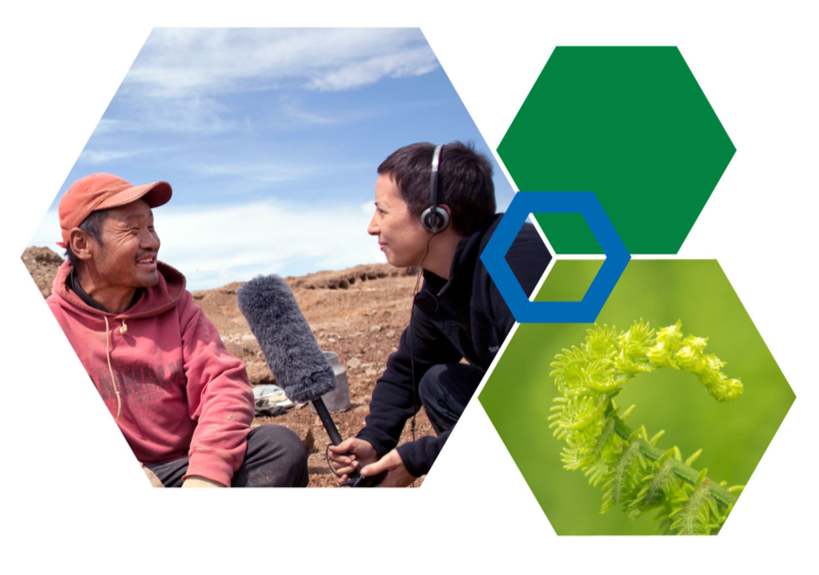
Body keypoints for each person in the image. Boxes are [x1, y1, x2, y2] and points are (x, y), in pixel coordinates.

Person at [47, 173, 308, 488]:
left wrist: (206, 473)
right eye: (133, 229)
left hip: (188, 469)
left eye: (151, 227)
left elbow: (223, 384)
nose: (152, 242)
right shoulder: (53, 322)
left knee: (281, 447)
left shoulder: (178, 306)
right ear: (81, 244)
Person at [328, 142, 551, 487]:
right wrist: (374, 440)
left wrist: (423, 456)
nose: (372, 227)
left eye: (382, 211)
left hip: (576, 416)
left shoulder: (518, 261)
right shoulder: (441, 283)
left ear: (435, 217)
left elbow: (548, 392)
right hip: (532, 406)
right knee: (438, 382)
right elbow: (408, 370)